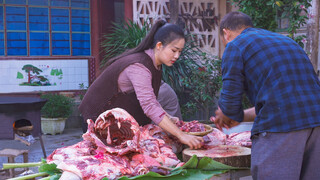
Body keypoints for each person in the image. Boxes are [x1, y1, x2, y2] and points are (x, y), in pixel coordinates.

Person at [210, 11, 320, 179]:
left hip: (281, 128)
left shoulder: (235, 45)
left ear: (226, 33)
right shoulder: (287, 41)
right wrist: (239, 117)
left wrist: (227, 114)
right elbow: (280, 101)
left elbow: (229, 106)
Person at [79, 19, 203, 149]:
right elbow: (149, 105)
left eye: (180, 51)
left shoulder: (155, 64)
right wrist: (181, 135)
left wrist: (168, 118)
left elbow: (151, 100)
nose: (177, 56)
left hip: (114, 125)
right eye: (174, 50)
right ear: (159, 45)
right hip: (96, 121)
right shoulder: (139, 66)